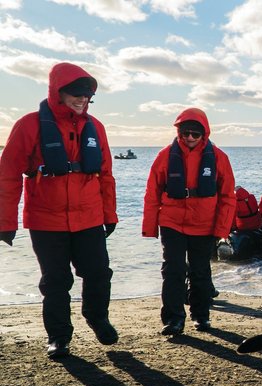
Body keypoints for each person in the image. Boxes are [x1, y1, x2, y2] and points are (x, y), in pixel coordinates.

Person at [0, 62, 119, 359]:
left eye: (88, 95)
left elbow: (106, 174)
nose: (83, 99)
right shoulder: (29, 125)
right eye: (76, 93)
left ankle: (97, 317)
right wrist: (5, 220)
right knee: (55, 281)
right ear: (57, 92)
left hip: (89, 216)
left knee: (99, 273)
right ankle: (58, 337)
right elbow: (8, 175)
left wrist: (110, 214)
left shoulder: (96, 127)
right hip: (45, 220)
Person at [142, 108, 235, 335]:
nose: (190, 138)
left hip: (204, 224)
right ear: (179, 132)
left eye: (195, 133)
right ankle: (173, 320)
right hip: (172, 222)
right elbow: (152, 192)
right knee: (172, 270)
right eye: (185, 133)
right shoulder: (165, 156)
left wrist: (222, 230)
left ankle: (200, 316)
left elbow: (227, 197)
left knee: (200, 271)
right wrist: (150, 226)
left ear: (205, 133)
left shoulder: (219, 158)